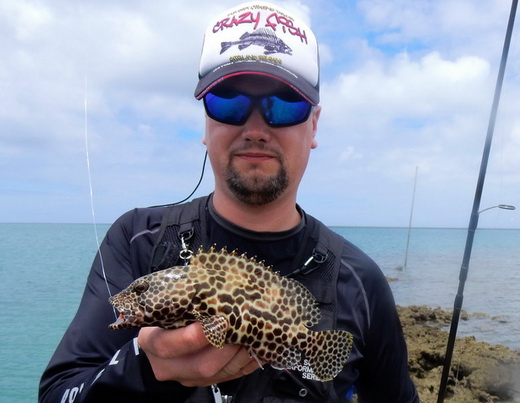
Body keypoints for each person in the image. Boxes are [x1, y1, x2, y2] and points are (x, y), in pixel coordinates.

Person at [39, 2, 419, 402]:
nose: (255, 128)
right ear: (206, 123)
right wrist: (142, 366)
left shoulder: (361, 280)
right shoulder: (136, 242)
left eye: (284, 104)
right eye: (229, 103)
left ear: (314, 125)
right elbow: (57, 394)